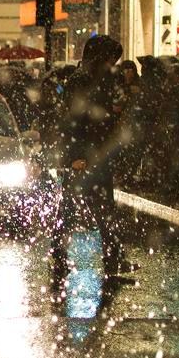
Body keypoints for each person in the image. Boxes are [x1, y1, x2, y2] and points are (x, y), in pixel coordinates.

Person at [53, 35, 135, 296]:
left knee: (102, 212)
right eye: (111, 58)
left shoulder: (101, 79)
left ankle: (112, 263)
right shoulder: (81, 80)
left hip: (98, 156)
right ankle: (61, 260)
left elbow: (107, 121)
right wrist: (75, 157)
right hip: (85, 157)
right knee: (71, 211)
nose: (113, 63)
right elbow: (74, 121)